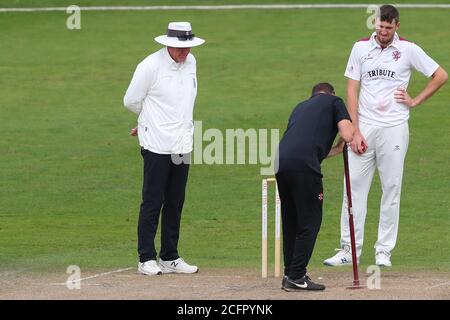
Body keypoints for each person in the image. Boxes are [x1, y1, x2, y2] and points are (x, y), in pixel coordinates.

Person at [324, 5, 448, 268]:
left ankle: (383, 251)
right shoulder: (360, 48)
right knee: (353, 189)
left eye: (388, 28)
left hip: (394, 128)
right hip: (365, 128)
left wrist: (415, 101)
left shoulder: (408, 50)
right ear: (375, 23)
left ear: (397, 27)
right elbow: (351, 90)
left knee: (391, 189)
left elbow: (440, 75)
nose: (383, 31)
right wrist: (354, 131)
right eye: (380, 26)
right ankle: (349, 249)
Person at [123, 22, 205, 275]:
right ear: (168, 44)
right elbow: (130, 101)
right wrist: (148, 121)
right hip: (156, 143)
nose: (185, 52)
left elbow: (184, 101)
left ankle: (170, 256)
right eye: (180, 48)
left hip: (182, 142)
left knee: (175, 200)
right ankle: (145, 257)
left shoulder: (191, 63)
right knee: (153, 200)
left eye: (188, 47)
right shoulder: (149, 66)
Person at [275, 83, 354, 291]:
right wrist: (347, 136)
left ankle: (289, 273)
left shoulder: (300, 107)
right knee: (309, 222)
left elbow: (305, 144)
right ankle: (297, 276)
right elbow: (347, 134)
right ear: (332, 93)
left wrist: (336, 150)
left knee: (291, 221)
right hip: (304, 168)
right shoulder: (335, 102)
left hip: (281, 163)